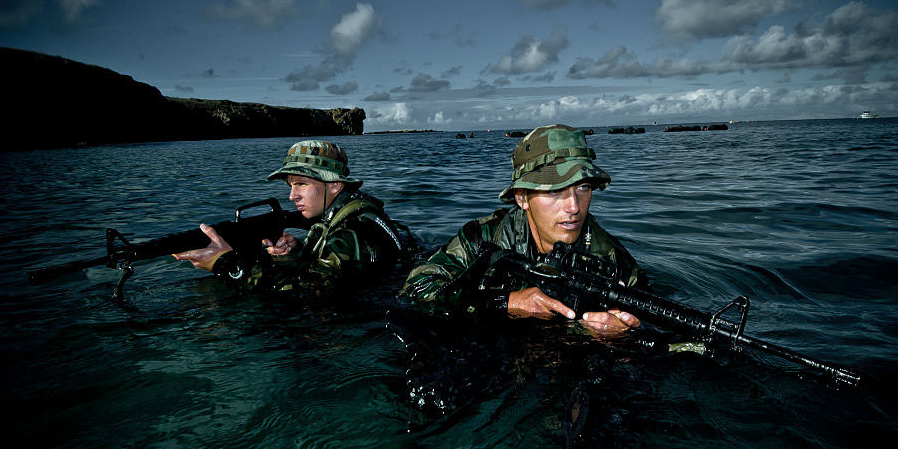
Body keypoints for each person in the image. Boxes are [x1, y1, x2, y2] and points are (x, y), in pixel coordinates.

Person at [399, 124, 646, 337]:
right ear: (522, 198)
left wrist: (624, 334)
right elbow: (416, 289)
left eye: (583, 187)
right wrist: (505, 302)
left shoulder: (615, 262)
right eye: (555, 191)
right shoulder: (483, 239)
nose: (574, 206)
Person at [173, 139, 406, 293]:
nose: (292, 196)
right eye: (290, 186)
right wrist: (297, 253)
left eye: (302, 184)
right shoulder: (350, 215)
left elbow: (305, 294)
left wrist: (225, 264)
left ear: (335, 185)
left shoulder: (353, 231)